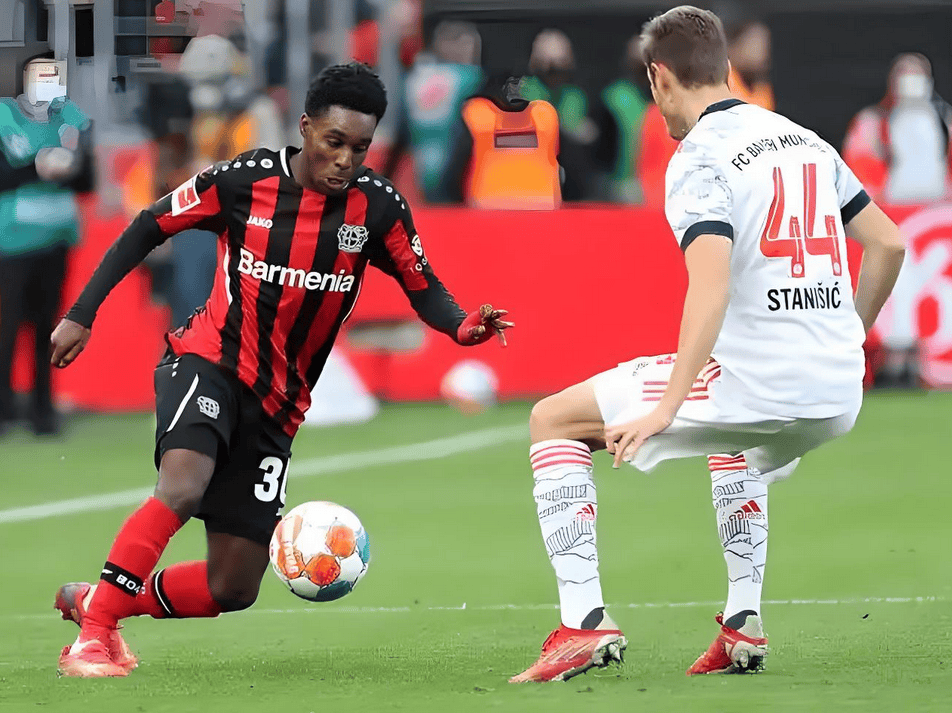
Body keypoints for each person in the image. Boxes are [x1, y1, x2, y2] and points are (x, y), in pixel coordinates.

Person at [50, 62, 513, 678]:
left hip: (278, 407)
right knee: (182, 487)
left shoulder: (378, 207)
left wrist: (460, 325)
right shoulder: (241, 182)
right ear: (305, 127)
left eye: (360, 148)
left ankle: (98, 601)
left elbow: (421, 284)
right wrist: (81, 313)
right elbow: (148, 226)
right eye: (334, 141)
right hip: (208, 362)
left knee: (233, 586)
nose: (345, 159)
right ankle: (94, 639)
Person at [509, 5, 904, 683]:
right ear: (723, 68)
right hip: (838, 391)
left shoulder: (698, 157)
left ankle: (583, 623)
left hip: (765, 383)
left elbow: (710, 287)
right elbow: (889, 243)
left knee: (553, 419)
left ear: (659, 77)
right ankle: (743, 623)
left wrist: (665, 407)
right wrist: (851, 336)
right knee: (735, 444)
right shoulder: (806, 141)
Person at [0, 55, 94, 436]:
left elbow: (87, 180)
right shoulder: (5, 118)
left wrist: (71, 168)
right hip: (14, 240)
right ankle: (4, 409)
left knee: (48, 327)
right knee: (8, 326)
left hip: (56, 239)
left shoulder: (70, 122)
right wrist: (36, 167)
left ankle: (42, 409)